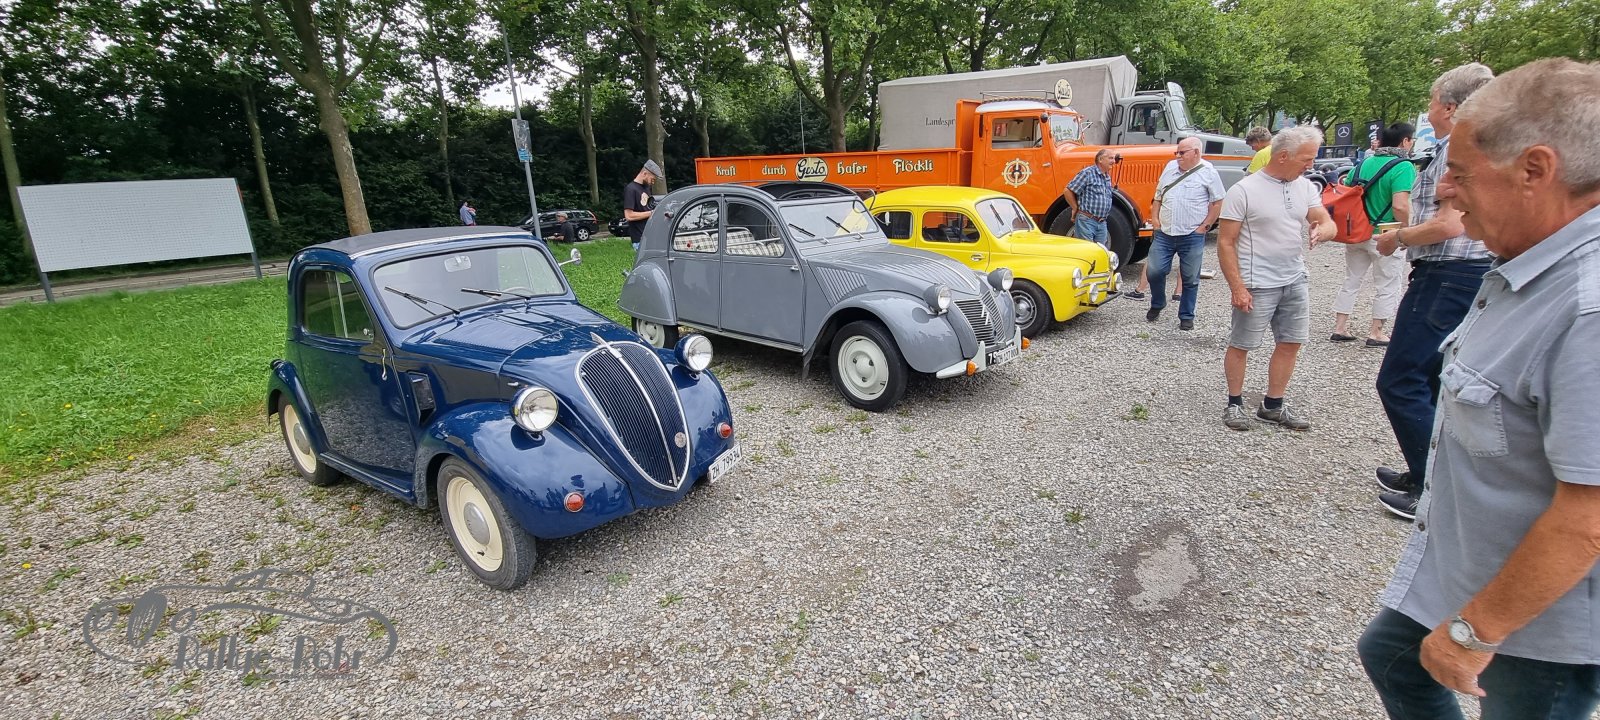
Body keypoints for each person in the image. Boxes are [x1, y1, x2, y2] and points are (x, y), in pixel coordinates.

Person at [1358, 57, 1600, 719]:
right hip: (1477, 575)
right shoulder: (1529, 265)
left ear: (1535, 170)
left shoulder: (1586, 308)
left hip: (1542, 626)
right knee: (1394, 658)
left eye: (1460, 174)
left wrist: (1475, 632)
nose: (1446, 193)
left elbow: (1588, 518)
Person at [1369, 63, 1495, 520]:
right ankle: (1430, 473)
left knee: (1400, 380)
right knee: (1433, 378)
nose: (1428, 109)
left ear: (1450, 107)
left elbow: (1448, 225)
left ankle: (1432, 490)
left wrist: (1397, 238)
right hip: (1462, 272)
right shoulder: (1476, 145)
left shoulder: (1459, 148)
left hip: (1448, 273)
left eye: (1431, 100)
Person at [1217, 126, 1334, 431]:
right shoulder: (1244, 190)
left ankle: (1273, 405)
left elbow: (1325, 220)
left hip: (1294, 278)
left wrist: (1323, 230)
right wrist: (1237, 287)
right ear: (1283, 156)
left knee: (1291, 342)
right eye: (1306, 159)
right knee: (1241, 344)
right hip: (1257, 282)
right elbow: (1226, 242)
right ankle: (1234, 403)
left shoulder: (1304, 187)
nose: (1311, 164)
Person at [1331, 122, 1417, 347]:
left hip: (1357, 231)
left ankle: (1340, 327)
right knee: (1387, 283)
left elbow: (1347, 192)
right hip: (1386, 232)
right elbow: (1400, 205)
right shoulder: (1404, 166)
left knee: (1352, 279)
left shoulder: (1363, 163)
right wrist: (1407, 229)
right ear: (1405, 141)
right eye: (1412, 140)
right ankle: (1376, 332)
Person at [1144, 137, 1224, 330]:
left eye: (1182, 152)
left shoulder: (1209, 172)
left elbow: (1218, 202)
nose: (1177, 156)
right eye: (1176, 152)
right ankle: (1158, 302)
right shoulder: (1170, 167)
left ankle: (1186, 316)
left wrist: (1204, 226)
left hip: (1191, 235)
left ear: (1196, 152)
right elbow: (1158, 196)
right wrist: (1155, 221)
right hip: (1164, 233)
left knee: (1190, 278)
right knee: (1154, 271)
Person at [1062, 149, 1119, 247]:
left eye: (1114, 158)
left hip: (1102, 222)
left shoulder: (1107, 177)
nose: (1114, 161)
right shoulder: (1087, 173)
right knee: (1087, 250)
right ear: (1100, 159)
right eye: (1110, 158)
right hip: (1086, 220)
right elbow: (1068, 191)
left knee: (1100, 252)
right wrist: (1075, 208)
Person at [623, 159, 662, 251]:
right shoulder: (631, 189)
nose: (653, 182)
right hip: (639, 240)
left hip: (650, 237)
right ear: (645, 173)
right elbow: (629, 216)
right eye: (652, 179)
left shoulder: (646, 188)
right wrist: (652, 213)